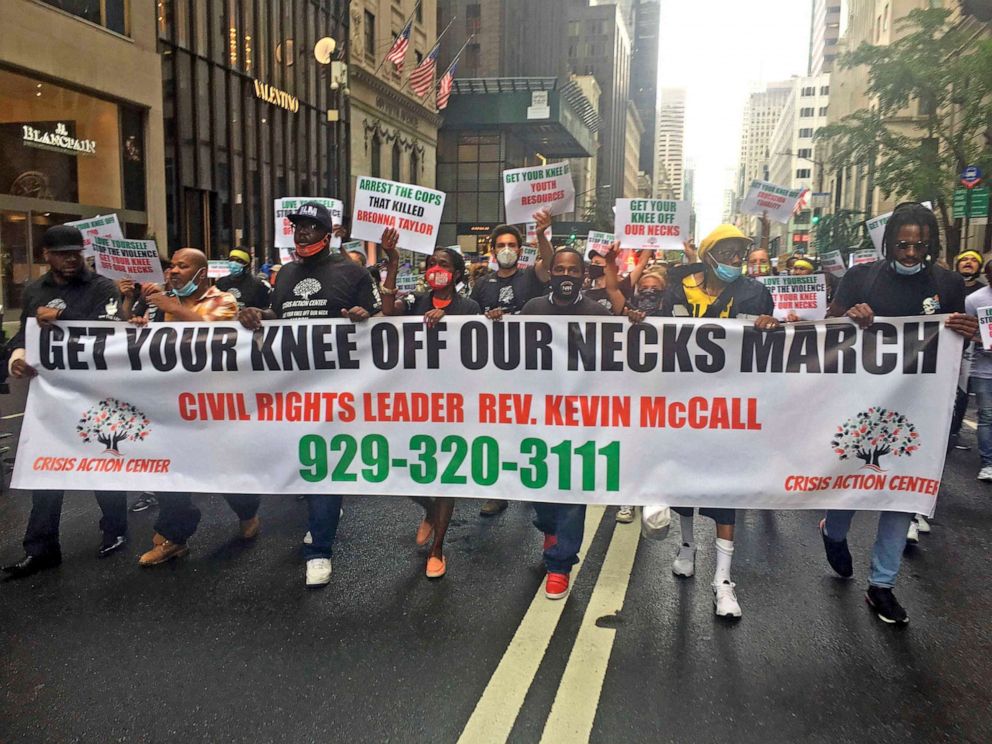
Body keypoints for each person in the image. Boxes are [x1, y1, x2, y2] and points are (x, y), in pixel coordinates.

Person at [820, 202, 976, 625]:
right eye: (902, 244)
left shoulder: (948, 282)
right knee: (855, 473)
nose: (910, 253)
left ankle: (882, 585)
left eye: (918, 245)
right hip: (861, 399)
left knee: (904, 488)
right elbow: (827, 329)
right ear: (888, 242)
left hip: (920, 403)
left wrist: (969, 331)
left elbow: (957, 335)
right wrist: (850, 317)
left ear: (930, 244)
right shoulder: (861, 277)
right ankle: (834, 530)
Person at [633, 224, 777, 618]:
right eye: (727, 252)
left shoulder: (755, 292)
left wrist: (770, 327)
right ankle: (686, 546)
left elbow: (770, 344)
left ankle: (723, 580)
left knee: (724, 490)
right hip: (683, 402)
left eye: (740, 253)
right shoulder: (679, 290)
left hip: (729, 405)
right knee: (684, 480)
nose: (735, 260)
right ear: (710, 255)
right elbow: (659, 336)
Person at [238, 201, 375, 589]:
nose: (302, 233)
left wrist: (366, 318)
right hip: (290, 387)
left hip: (335, 388)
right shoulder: (284, 275)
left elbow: (381, 325)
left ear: (328, 235)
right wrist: (255, 315)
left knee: (322, 466)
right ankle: (322, 521)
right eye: (298, 226)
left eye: (312, 227)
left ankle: (320, 550)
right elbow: (279, 319)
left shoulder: (352, 271)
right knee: (302, 464)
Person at [1, 225, 128, 579]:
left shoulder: (101, 287)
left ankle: (115, 528)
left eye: (76, 252)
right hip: (52, 394)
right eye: (63, 253)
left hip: (96, 392)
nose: (72, 259)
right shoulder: (34, 290)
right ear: (46, 256)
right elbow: (22, 336)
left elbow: (112, 334)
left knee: (103, 465)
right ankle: (41, 548)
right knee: (46, 469)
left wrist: (63, 319)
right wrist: (17, 359)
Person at [128, 248, 262, 566]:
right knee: (169, 469)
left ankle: (248, 511)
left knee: (226, 472)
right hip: (172, 405)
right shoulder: (163, 306)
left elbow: (211, 335)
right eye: (171, 266)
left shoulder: (224, 301)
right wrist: (138, 320)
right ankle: (175, 536)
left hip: (215, 406)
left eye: (182, 266)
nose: (172, 271)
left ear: (201, 274)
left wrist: (169, 306)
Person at [379, 228, 481, 578]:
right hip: (414, 401)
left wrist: (450, 323)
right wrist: (392, 261)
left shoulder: (468, 306)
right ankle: (429, 511)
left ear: (455, 272)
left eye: (443, 264)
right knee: (411, 474)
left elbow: (477, 349)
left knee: (445, 479)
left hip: (453, 402)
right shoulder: (416, 302)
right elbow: (389, 311)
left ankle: (437, 548)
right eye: (431, 263)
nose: (436, 268)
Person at [521, 246, 614, 600]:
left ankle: (560, 564)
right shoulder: (532, 310)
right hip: (538, 416)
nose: (565, 276)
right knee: (542, 487)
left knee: (574, 489)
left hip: (582, 418)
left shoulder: (599, 315)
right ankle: (550, 528)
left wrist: (635, 322)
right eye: (559, 269)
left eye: (573, 271)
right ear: (550, 273)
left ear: (583, 276)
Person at [471, 210, 554, 516]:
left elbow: (549, 269)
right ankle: (499, 491)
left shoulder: (531, 276)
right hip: (495, 367)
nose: (506, 249)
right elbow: (470, 319)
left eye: (512, 244)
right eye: (500, 244)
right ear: (492, 250)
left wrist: (543, 235)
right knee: (497, 432)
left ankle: (534, 483)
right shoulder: (483, 284)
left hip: (528, 364)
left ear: (520, 250)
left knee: (531, 427)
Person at [965, 259, 992, 483]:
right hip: (984, 369)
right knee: (987, 416)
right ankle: (988, 463)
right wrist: (981, 340)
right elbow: (965, 331)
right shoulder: (974, 300)